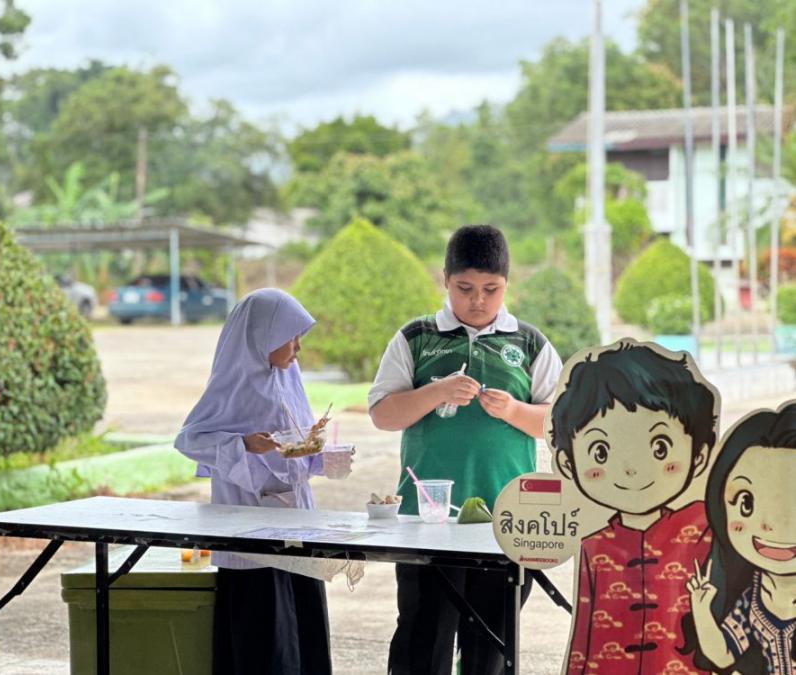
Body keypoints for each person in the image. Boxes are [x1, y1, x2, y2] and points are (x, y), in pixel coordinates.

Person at [369, 224, 563, 675]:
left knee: (491, 647)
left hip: (507, 519)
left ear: (507, 284)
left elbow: (560, 423)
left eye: (491, 289)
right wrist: (435, 392)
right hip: (426, 518)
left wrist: (514, 410)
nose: (478, 300)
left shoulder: (529, 343)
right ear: (445, 280)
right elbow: (382, 414)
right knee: (423, 639)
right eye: (465, 288)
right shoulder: (417, 337)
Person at [175, 288, 335, 675]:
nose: (298, 348)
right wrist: (244, 444)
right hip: (249, 533)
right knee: (265, 642)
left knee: (304, 633)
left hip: (295, 527)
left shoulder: (289, 377)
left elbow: (294, 446)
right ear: (263, 336)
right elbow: (189, 440)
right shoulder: (233, 383)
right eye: (291, 338)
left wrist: (315, 445)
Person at [550, 340, 718, 674]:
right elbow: (583, 629)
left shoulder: (703, 526)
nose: (631, 469)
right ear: (569, 463)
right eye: (601, 452)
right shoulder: (593, 544)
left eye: (660, 447)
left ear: (699, 456)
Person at [681, 401, 796, 675]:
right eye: (746, 503)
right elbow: (722, 656)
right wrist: (701, 608)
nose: (771, 526)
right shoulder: (753, 598)